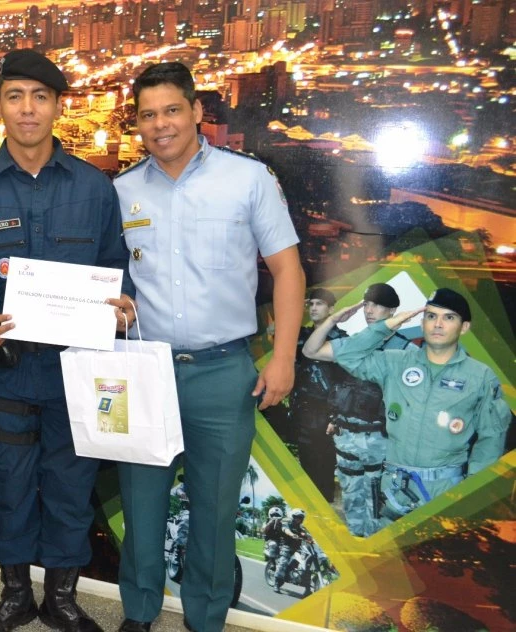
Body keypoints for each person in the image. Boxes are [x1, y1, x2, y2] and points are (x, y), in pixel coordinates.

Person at [112, 62, 305, 632]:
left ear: (197, 111)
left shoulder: (248, 179)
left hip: (223, 372)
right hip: (146, 369)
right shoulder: (121, 190)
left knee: (217, 508)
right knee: (141, 503)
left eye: (172, 110)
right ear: (137, 123)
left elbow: (288, 270)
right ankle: (139, 612)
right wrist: (116, 305)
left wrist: (284, 357)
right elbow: (114, 278)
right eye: (148, 115)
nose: (161, 124)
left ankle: (206, 617)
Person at [0, 49, 135, 632]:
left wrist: (122, 306)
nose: (27, 109)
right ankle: (14, 596)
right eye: (15, 96)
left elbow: (116, 266)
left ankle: (61, 599)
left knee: (71, 489)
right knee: (8, 486)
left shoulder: (95, 188)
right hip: (5, 372)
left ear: (58, 106)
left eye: (39, 97)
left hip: (77, 373)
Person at [303, 288, 510, 529]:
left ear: (464, 327)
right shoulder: (395, 362)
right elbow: (334, 354)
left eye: (449, 317)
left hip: (446, 489)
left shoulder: (480, 376)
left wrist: (472, 490)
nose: (438, 324)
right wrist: (385, 326)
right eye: (431, 316)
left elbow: (491, 437)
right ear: (422, 323)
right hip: (394, 489)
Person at [303, 283, 417, 536]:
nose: (369, 310)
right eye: (367, 304)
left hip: (381, 439)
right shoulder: (354, 344)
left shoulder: (407, 351)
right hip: (347, 436)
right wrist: (332, 320)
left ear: (393, 311)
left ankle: (377, 545)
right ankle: (357, 538)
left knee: (379, 499)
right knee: (351, 494)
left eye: (377, 305)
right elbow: (310, 350)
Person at [290, 288, 348, 502]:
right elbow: (273, 329)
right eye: (311, 304)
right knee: (306, 466)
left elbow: (346, 382)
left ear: (331, 309)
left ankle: (324, 508)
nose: (313, 308)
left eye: (320, 304)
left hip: (326, 414)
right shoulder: (300, 336)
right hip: (302, 412)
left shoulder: (341, 340)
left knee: (324, 468)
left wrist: (336, 416)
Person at [272, 508, 309, 593]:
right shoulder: (287, 523)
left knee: (306, 564)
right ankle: (277, 583)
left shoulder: (300, 528)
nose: (298, 519)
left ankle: (307, 588)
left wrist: (308, 537)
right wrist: (292, 534)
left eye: (300, 518)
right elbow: (286, 530)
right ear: (293, 517)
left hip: (298, 549)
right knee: (283, 563)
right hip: (287, 547)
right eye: (297, 517)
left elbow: (304, 534)